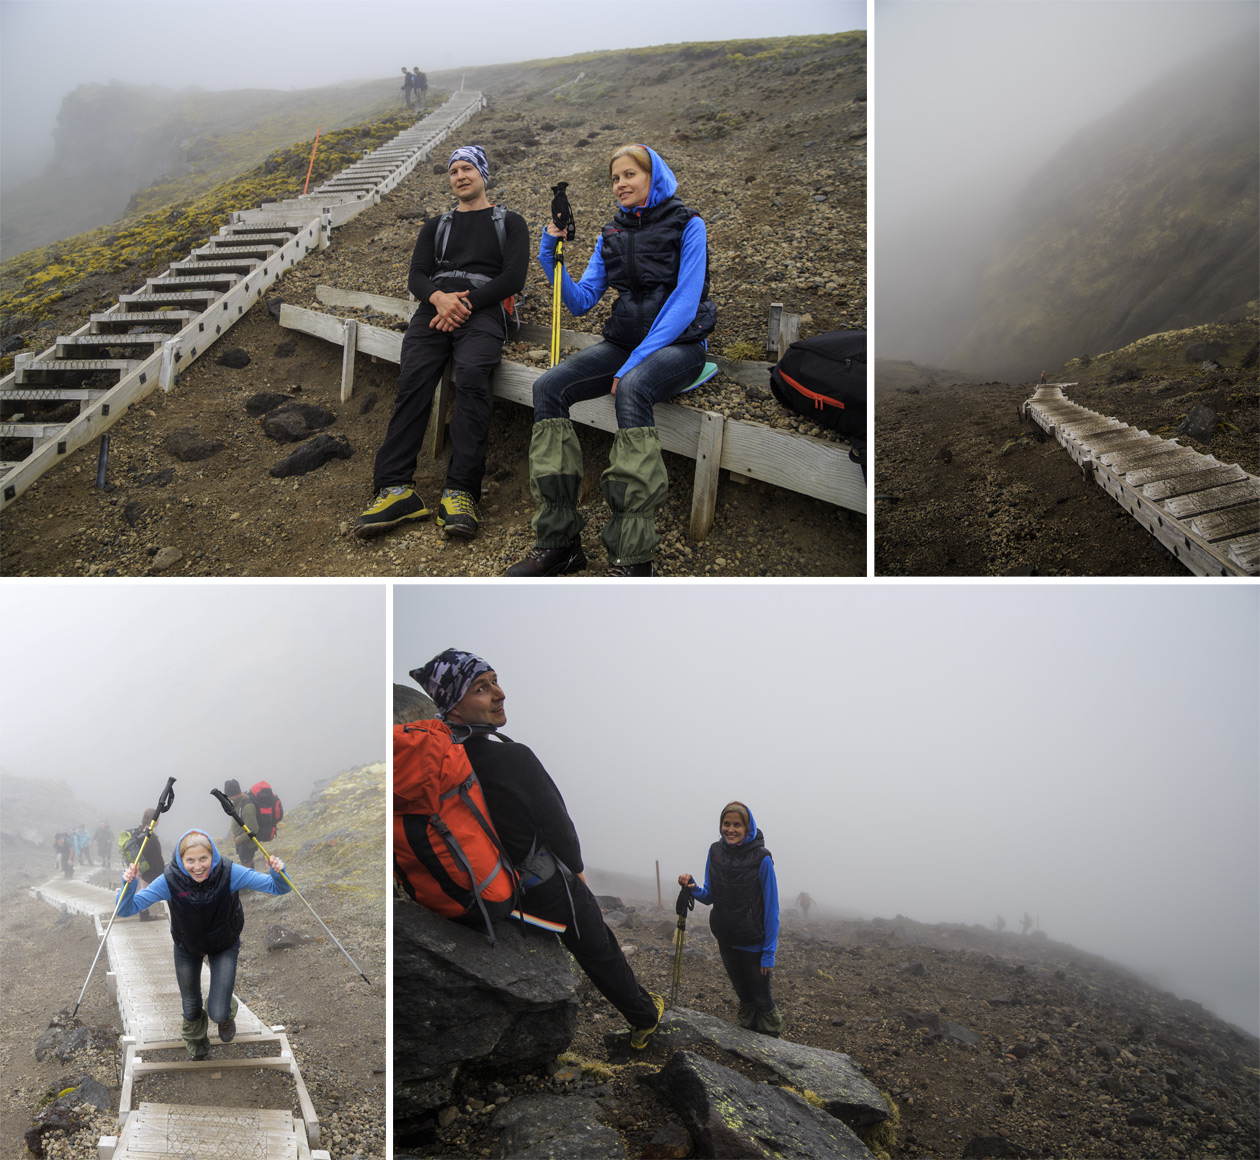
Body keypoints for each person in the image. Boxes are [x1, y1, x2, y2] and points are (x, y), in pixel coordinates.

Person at [412, 647, 665, 1050]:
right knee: (598, 947)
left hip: (477, 891)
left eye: (495, 681)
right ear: (454, 705)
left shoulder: (433, 762)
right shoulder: (512, 757)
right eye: (481, 687)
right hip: (539, 889)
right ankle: (645, 1019)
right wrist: (579, 879)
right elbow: (558, 825)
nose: (499, 693)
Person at [506, 143, 716, 578]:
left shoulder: (689, 224)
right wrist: (550, 256)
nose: (620, 183)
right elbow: (581, 302)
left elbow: (684, 304)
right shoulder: (611, 234)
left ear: (653, 176)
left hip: (680, 345)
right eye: (615, 178)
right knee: (548, 387)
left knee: (634, 388)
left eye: (629, 175)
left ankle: (634, 557)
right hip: (625, 344)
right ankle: (559, 541)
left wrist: (630, 365)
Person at [354, 146, 528, 543]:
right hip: (433, 310)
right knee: (413, 382)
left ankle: (461, 492)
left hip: (482, 311)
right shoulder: (437, 225)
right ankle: (395, 489)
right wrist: (439, 299)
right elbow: (417, 276)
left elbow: (513, 277)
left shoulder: (510, 222)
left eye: (467, 168)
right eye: (453, 171)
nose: (460, 175)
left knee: (471, 378)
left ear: (483, 173)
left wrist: (462, 303)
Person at [116, 829, 290, 1060]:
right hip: (187, 946)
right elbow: (125, 909)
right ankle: (198, 1047)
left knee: (218, 1011)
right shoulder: (170, 880)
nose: (197, 866)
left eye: (203, 859)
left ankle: (225, 1012)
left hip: (224, 943)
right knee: (190, 1005)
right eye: (190, 860)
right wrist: (129, 884)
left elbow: (279, 887)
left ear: (213, 856)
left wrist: (278, 873)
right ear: (181, 860)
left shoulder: (229, 872)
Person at [678, 801, 782, 1037]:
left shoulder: (762, 859)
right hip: (725, 937)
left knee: (761, 997)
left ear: (748, 828)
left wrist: (768, 953)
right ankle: (747, 1036)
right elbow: (710, 896)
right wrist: (692, 887)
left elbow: (772, 908)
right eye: (726, 824)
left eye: (737, 824)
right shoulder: (715, 852)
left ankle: (771, 1040)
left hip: (754, 941)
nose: (730, 829)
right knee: (743, 994)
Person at [223, 779, 260, 869]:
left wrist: (240, 838)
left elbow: (254, 829)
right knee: (248, 863)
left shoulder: (247, 807)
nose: (228, 799)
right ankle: (253, 879)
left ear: (233, 794)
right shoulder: (238, 802)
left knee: (245, 867)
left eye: (229, 796)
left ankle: (249, 882)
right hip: (243, 843)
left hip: (247, 844)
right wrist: (233, 830)